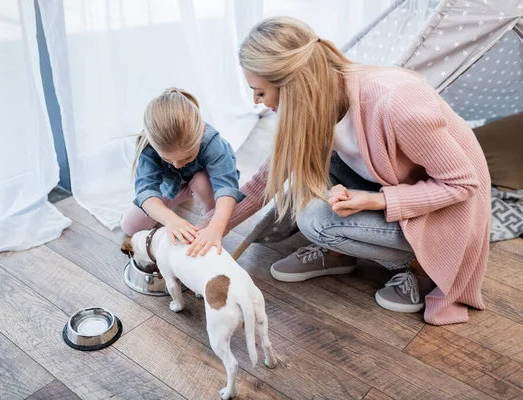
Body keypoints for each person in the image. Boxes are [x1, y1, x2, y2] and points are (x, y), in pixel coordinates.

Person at [205, 17, 491, 325]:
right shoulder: (315, 103)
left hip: (447, 211)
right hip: (388, 182)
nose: (257, 102)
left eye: (260, 92)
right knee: (304, 171)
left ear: (292, 85)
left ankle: (422, 268)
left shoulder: (396, 101)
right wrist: (207, 231)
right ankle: (338, 253)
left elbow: (462, 184)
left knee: (315, 219)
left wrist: (376, 201)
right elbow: (264, 183)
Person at [121, 87, 245, 257]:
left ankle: (206, 216)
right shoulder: (148, 145)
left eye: (187, 157)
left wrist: (215, 227)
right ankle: (184, 198)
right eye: (168, 159)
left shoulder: (212, 142)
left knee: (202, 183)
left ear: (200, 133)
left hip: (204, 182)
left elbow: (227, 189)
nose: (177, 165)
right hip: (173, 185)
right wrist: (170, 219)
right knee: (130, 227)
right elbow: (146, 190)